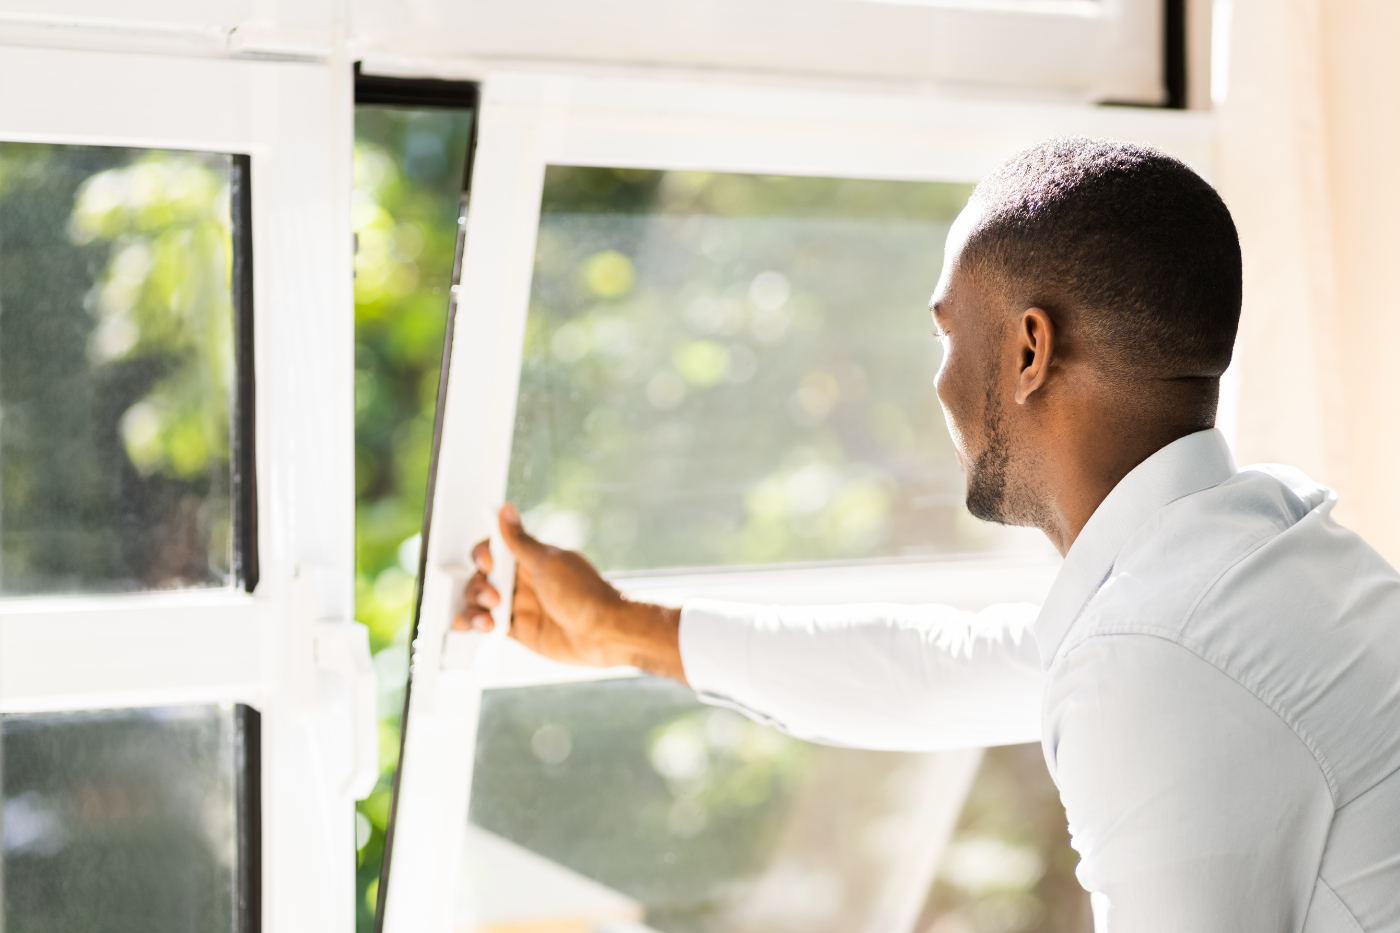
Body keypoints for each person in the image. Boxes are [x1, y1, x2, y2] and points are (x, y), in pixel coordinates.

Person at [456, 138, 1400, 931]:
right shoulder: (1261, 549)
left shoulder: (1157, 653)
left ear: (1030, 350)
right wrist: (619, 625)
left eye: (948, 333)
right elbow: (934, 671)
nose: (939, 384)